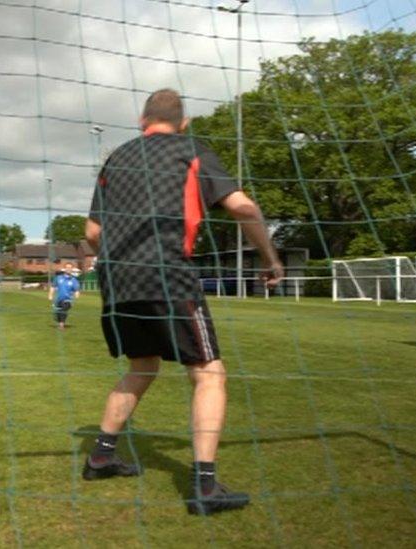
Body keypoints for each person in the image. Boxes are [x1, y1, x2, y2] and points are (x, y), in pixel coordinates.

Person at [83, 89, 284, 516]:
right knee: (209, 373)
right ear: (184, 122)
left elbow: (92, 234)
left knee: (143, 366)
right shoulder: (191, 150)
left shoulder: (117, 158)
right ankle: (205, 487)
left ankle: (100, 457)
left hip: (117, 281)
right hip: (167, 274)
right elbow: (244, 209)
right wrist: (271, 258)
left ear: (142, 121)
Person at [48, 262, 81, 329]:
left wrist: (77, 295)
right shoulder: (58, 278)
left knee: (64, 310)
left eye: (70, 267)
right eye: (67, 267)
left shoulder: (74, 280)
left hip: (68, 300)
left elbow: (76, 290)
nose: (68, 269)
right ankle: (60, 322)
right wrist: (50, 295)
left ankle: (61, 326)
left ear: (72, 269)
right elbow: (53, 287)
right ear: (64, 269)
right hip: (59, 299)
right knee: (58, 313)